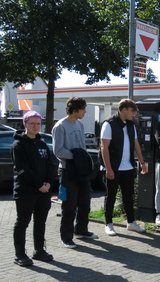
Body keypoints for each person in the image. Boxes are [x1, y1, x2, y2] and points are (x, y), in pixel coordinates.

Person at [12, 111, 55, 266]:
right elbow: (23, 169)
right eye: (32, 123)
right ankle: (20, 255)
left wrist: (49, 183)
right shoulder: (18, 145)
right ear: (25, 124)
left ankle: (39, 251)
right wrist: (39, 185)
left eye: (38, 123)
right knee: (22, 222)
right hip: (26, 191)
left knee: (40, 221)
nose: (36, 126)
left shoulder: (42, 143)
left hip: (44, 191)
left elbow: (51, 165)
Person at [52, 97, 97, 249]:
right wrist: (77, 156)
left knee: (85, 203)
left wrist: (82, 158)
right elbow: (58, 151)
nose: (85, 111)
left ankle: (81, 230)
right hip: (67, 171)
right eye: (84, 108)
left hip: (81, 171)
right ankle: (66, 237)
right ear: (76, 109)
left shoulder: (79, 124)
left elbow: (82, 147)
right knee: (69, 206)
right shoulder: (60, 126)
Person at [100, 99, 148, 236]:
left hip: (128, 167)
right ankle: (109, 224)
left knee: (129, 196)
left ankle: (131, 223)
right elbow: (104, 147)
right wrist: (108, 168)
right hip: (113, 167)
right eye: (133, 111)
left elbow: (136, 143)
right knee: (111, 196)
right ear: (124, 110)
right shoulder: (108, 124)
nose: (134, 115)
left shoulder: (131, 125)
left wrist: (142, 162)